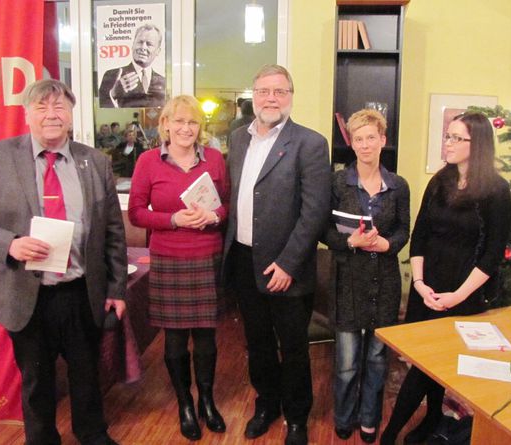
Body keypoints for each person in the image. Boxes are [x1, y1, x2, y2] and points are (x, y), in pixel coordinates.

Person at [0, 79, 127, 445]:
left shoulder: (95, 161)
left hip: (81, 291)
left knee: (86, 374)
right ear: (27, 114)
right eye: (41, 107)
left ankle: (92, 433)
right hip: (26, 292)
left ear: (71, 115)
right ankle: (40, 439)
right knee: (36, 380)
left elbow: (113, 232)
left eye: (60, 107)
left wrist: (117, 288)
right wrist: (10, 244)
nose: (51, 114)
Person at [380, 112, 511, 445]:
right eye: (447, 136)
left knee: (436, 366)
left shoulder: (496, 190)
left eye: (455, 138)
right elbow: (420, 235)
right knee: (424, 364)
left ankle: (393, 434)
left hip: (463, 293)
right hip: (427, 288)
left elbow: (492, 255)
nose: (447, 143)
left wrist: (457, 296)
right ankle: (427, 423)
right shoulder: (440, 180)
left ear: (476, 143)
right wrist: (419, 284)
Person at [223, 64, 331, 445]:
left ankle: (297, 417)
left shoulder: (310, 143)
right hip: (244, 260)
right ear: (253, 95)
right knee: (257, 343)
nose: (271, 98)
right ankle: (266, 403)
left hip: (287, 266)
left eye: (280, 91)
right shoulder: (238, 139)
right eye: (264, 91)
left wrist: (288, 263)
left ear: (290, 97)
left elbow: (314, 212)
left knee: (294, 347)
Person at [128, 95, 229, 441]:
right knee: (174, 339)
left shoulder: (215, 159)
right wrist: (173, 219)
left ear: (201, 127)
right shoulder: (147, 161)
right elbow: (136, 213)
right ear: (166, 125)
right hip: (169, 258)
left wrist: (213, 215)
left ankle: (207, 401)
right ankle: (185, 403)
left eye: (193, 122)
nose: (186, 128)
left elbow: (226, 205)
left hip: (207, 255)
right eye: (180, 121)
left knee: (206, 338)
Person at [323, 109, 410, 443]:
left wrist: (388, 244)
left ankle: (370, 418)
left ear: (382, 140)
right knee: (346, 362)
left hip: (384, 281)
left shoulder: (398, 186)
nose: (365, 145)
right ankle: (345, 416)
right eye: (358, 139)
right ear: (352, 144)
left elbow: (404, 228)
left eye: (371, 137)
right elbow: (323, 230)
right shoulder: (337, 182)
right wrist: (349, 242)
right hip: (347, 279)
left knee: (376, 359)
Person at [99, 23, 166, 108]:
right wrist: (113, 94)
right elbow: (100, 109)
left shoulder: (163, 82)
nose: (143, 47)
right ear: (133, 45)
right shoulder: (111, 75)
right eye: (140, 42)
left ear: (158, 51)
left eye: (149, 44)